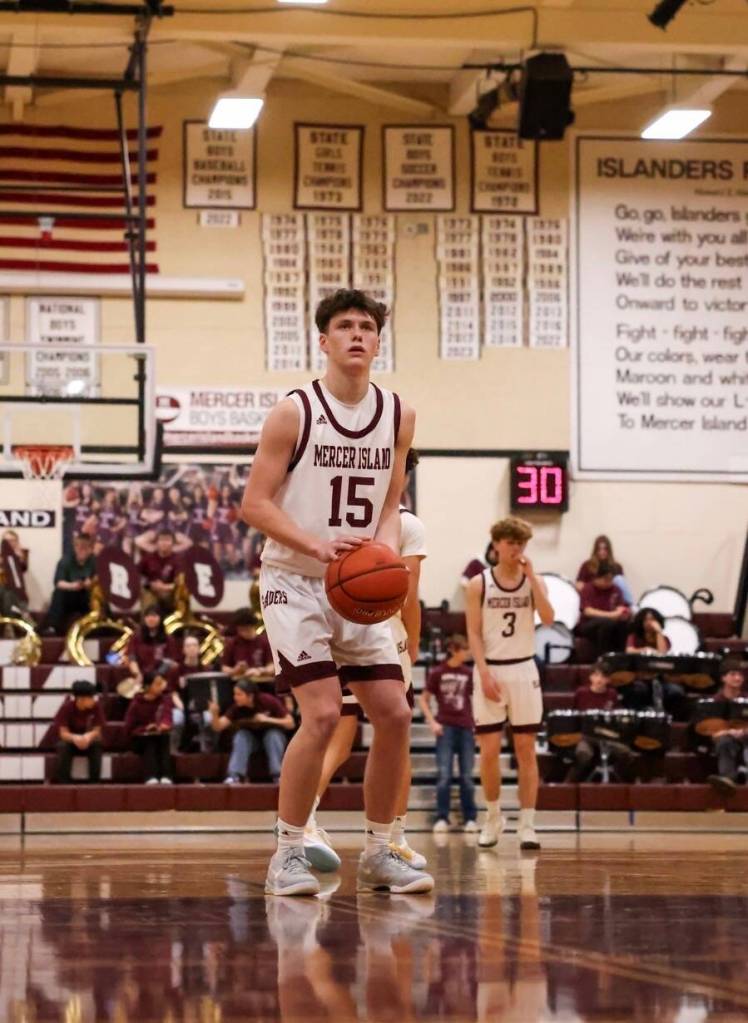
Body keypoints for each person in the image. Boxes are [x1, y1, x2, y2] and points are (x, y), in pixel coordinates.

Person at [241, 287, 433, 897]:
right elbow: (254, 504)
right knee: (323, 714)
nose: (357, 334)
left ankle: (382, 849)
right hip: (295, 579)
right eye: (345, 326)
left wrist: (380, 550)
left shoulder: (399, 413)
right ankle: (289, 853)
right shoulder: (293, 412)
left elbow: (390, 501)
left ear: (379, 341)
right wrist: (314, 545)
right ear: (323, 341)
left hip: (355, 583)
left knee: (396, 713)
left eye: (368, 326)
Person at [301, 447, 429, 873]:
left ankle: (306, 819)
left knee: (338, 733)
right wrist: (413, 642)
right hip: (380, 635)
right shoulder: (406, 523)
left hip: (330, 625)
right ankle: (393, 837)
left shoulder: (339, 517)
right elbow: (406, 594)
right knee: (396, 733)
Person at [465, 516, 554, 850]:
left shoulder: (534, 580)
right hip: (491, 669)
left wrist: (533, 579)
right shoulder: (479, 583)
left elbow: (548, 618)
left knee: (525, 749)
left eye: (521, 543)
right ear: (497, 545)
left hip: (523, 669)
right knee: (488, 752)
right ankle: (493, 817)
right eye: (510, 542)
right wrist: (483, 671)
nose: (516, 548)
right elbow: (473, 631)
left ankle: (528, 824)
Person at [419, 634, 477, 833]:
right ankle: (442, 817)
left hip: (466, 727)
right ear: (453, 649)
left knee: (467, 776)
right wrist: (432, 722)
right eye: (464, 649)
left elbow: (476, 698)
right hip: (445, 727)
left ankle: (470, 818)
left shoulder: (469, 673)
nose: (467, 653)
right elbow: (423, 699)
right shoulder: (437, 672)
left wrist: (477, 722)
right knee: (444, 775)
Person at [209, 679, 295, 783]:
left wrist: (267, 719)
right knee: (241, 735)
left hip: (272, 739)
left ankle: (278, 775)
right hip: (252, 742)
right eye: (234, 694)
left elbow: (290, 723)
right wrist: (214, 714)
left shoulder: (267, 700)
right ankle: (235, 775)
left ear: (250, 696)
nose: (235, 697)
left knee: (273, 735)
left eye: (239, 694)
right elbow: (218, 727)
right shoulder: (236, 708)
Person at [563, 661, 635, 783]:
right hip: (586, 735)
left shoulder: (612, 694)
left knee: (626, 753)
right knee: (583, 753)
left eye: (603, 676)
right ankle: (569, 784)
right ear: (590, 677)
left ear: (608, 680)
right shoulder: (581, 693)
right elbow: (574, 717)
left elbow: (617, 717)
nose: (599, 679)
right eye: (596, 675)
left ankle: (624, 784)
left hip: (608, 736)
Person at [703, 662, 747, 795]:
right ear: (723, 678)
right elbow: (708, 728)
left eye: (740, 675)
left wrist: (743, 731)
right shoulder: (714, 702)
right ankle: (728, 780)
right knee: (725, 741)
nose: (738, 678)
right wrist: (726, 732)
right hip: (724, 739)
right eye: (733, 674)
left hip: (745, 737)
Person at [124, 669, 174, 784]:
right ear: (148, 686)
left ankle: (166, 775)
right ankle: (150, 776)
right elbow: (129, 728)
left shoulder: (164, 700)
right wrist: (145, 729)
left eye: (161, 683)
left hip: (158, 735)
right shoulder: (136, 704)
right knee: (149, 741)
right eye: (157, 684)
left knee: (164, 738)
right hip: (139, 739)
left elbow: (167, 716)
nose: (161, 686)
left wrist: (163, 725)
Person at [42, 533, 96, 635]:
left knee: (98, 596)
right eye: (79, 547)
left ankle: (101, 626)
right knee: (58, 593)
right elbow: (58, 583)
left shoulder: (94, 561)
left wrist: (91, 583)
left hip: (86, 596)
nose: (82, 551)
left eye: (85, 548)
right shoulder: (66, 560)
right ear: (75, 547)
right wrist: (73, 586)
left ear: (90, 549)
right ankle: (52, 627)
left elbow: (99, 580)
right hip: (69, 595)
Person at [53, 679, 105, 783]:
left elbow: (97, 730)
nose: (93, 700)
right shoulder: (66, 708)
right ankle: (64, 783)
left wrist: (88, 736)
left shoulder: (96, 707)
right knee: (63, 746)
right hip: (71, 741)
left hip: (89, 740)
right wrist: (75, 738)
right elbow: (63, 733)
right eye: (90, 697)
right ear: (80, 699)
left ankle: (94, 783)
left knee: (97, 744)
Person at [576, 562, 631, 660]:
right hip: (589, 623)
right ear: (598, 577)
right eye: (606, 579)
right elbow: (587, 611)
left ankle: (622, 658)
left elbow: (621, 607)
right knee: (607, 624)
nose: (608, 583)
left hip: (612, 621)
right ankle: (603, 658)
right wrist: (611, 615)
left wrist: (622, 612)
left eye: (610, 580)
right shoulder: (588, 588)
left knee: (624, 624)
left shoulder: (615, 589)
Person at [575, 535, 634, 605]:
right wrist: (596, 585)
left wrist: (608, 584)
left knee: (619, 579)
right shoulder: (587, 565)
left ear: (609, 550)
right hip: (593, 597)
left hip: (610, 598)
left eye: (605, 549)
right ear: (595, 550)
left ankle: (631, 607)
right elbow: (578, 585)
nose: (602, 552)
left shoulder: (616, 566)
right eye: (599, 549)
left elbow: (620, 589)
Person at [221, 607, 274, 682]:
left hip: (263, 684)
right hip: (239, 684)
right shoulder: (232, 643)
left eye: (246, 629)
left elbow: (272, 666)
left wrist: (260, 671)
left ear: (253, 626)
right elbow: (224, 668)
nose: (242, 632)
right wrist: (235, 670)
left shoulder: (264, 641)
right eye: (240, 630)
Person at [137, 528, 184, 613]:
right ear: (156, 542)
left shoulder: (178, 560)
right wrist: (150, 584)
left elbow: (181, 583)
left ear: (173, 543)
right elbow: (136, 574)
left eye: (167, 540)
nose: (164, 543)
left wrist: (164, 587)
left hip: (170, 593)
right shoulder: (148, 558)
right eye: (161, 540)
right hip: (150, 591)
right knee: (148, 601)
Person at [0, 529, 30, 619]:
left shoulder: (20, 556)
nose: (10, 543)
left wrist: (19, 557)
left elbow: (23, 568)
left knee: (8, 594)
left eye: (12, 540)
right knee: (5, 591)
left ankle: (12, 622)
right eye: (6, 541)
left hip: (16, 591)